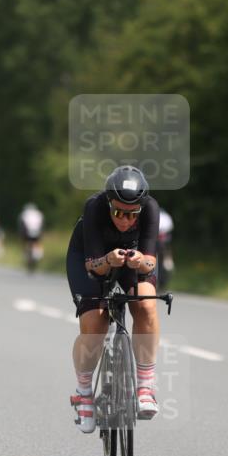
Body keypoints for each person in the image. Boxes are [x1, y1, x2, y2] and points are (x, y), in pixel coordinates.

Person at [66, 165, 161, 433]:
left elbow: (151, 261)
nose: (125, 220)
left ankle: (145, 386)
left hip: (132, 260)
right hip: (91, 259)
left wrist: (140, 260)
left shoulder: (151, 208)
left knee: (146, 305)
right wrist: (108, 260)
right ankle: (84, 392)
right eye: (119, 212)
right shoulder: (94, 207)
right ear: (109, 203)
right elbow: (93, 266)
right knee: (94, 326)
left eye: (132, 214)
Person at [18, 202, 45, 270]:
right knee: (37, 242)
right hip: (37, 231)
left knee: (25, 243)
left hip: (27, 232)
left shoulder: (24, 213)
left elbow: (21, 224)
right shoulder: (39, 213)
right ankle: (38, 254)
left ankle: (25, 254)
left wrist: (20, 234)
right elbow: (42, 224)